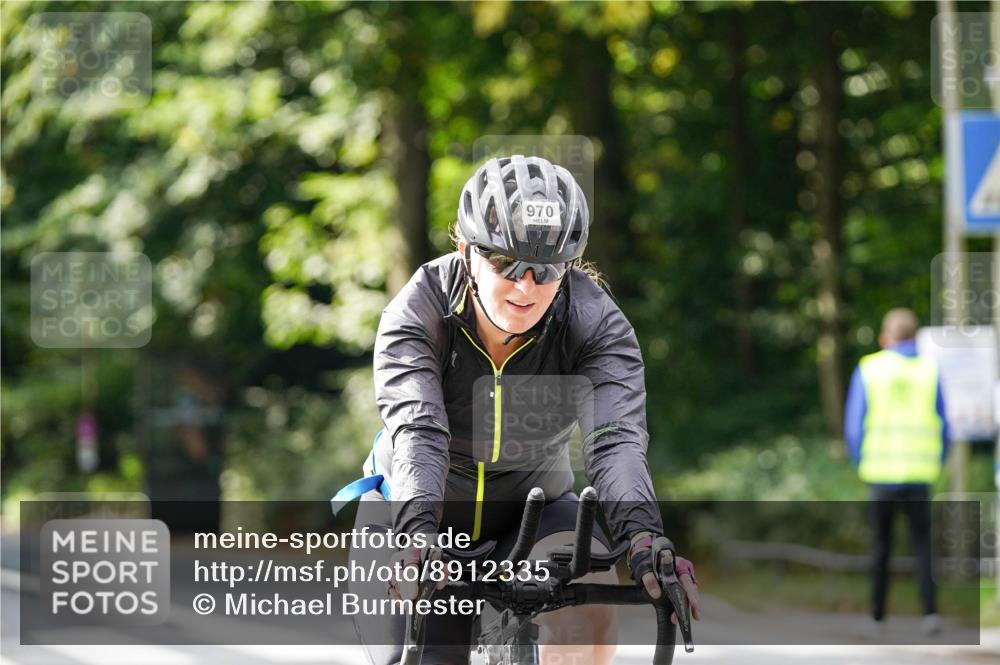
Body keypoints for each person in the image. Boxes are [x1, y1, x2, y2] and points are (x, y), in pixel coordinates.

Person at [338, 155, 700, 665]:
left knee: (588, 619)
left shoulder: (595, 324)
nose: (526, 286)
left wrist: (644, 536)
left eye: (546, 269)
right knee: (421, 655)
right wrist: (416, 532)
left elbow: (615, 441)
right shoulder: (418, 312)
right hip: (421, 505)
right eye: (505, 263)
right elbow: (419, 431)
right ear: (465, 252)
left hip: (534, 505)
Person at [844, 308, 950, 638]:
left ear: (885, 337)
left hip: (880, 473)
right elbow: (945, 424)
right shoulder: (929, 370)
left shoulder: (869, 368)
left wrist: (859, 461)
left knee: (881, 547)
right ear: (914, 337)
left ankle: (877, 617)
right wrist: (938, 461)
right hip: (920, 473)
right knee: (923, 546)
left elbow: (854, 427)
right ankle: (930, 614)